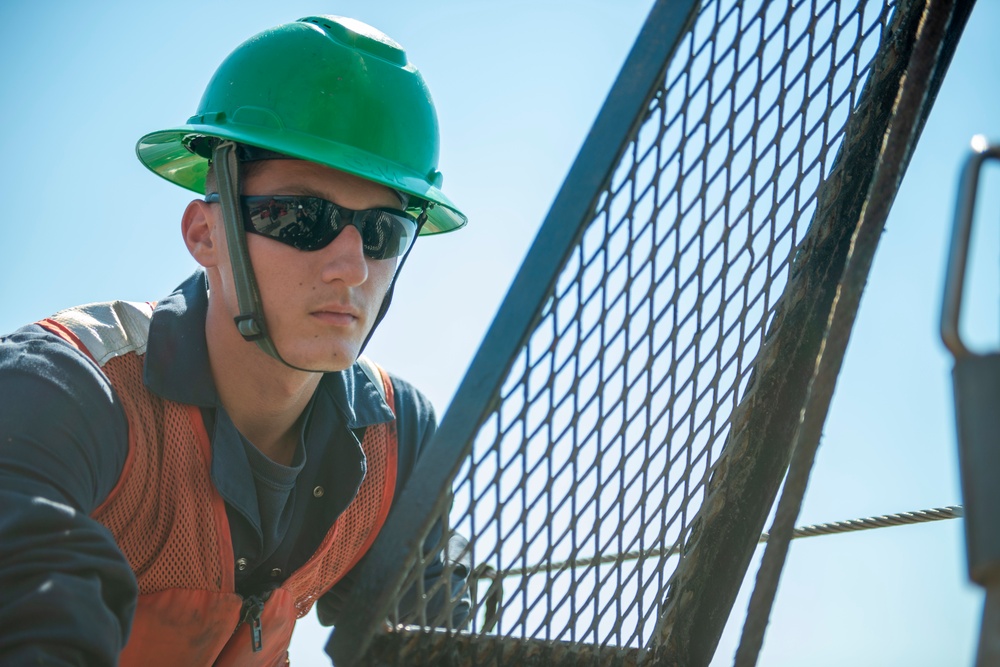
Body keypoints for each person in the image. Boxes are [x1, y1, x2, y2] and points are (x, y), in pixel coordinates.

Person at [0, 15, 469, 666]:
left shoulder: (396, 442)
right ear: (204, 233)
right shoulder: (64, 391)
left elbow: (429, 643)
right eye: (303, 217)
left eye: (381, 232)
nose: (351, 265)